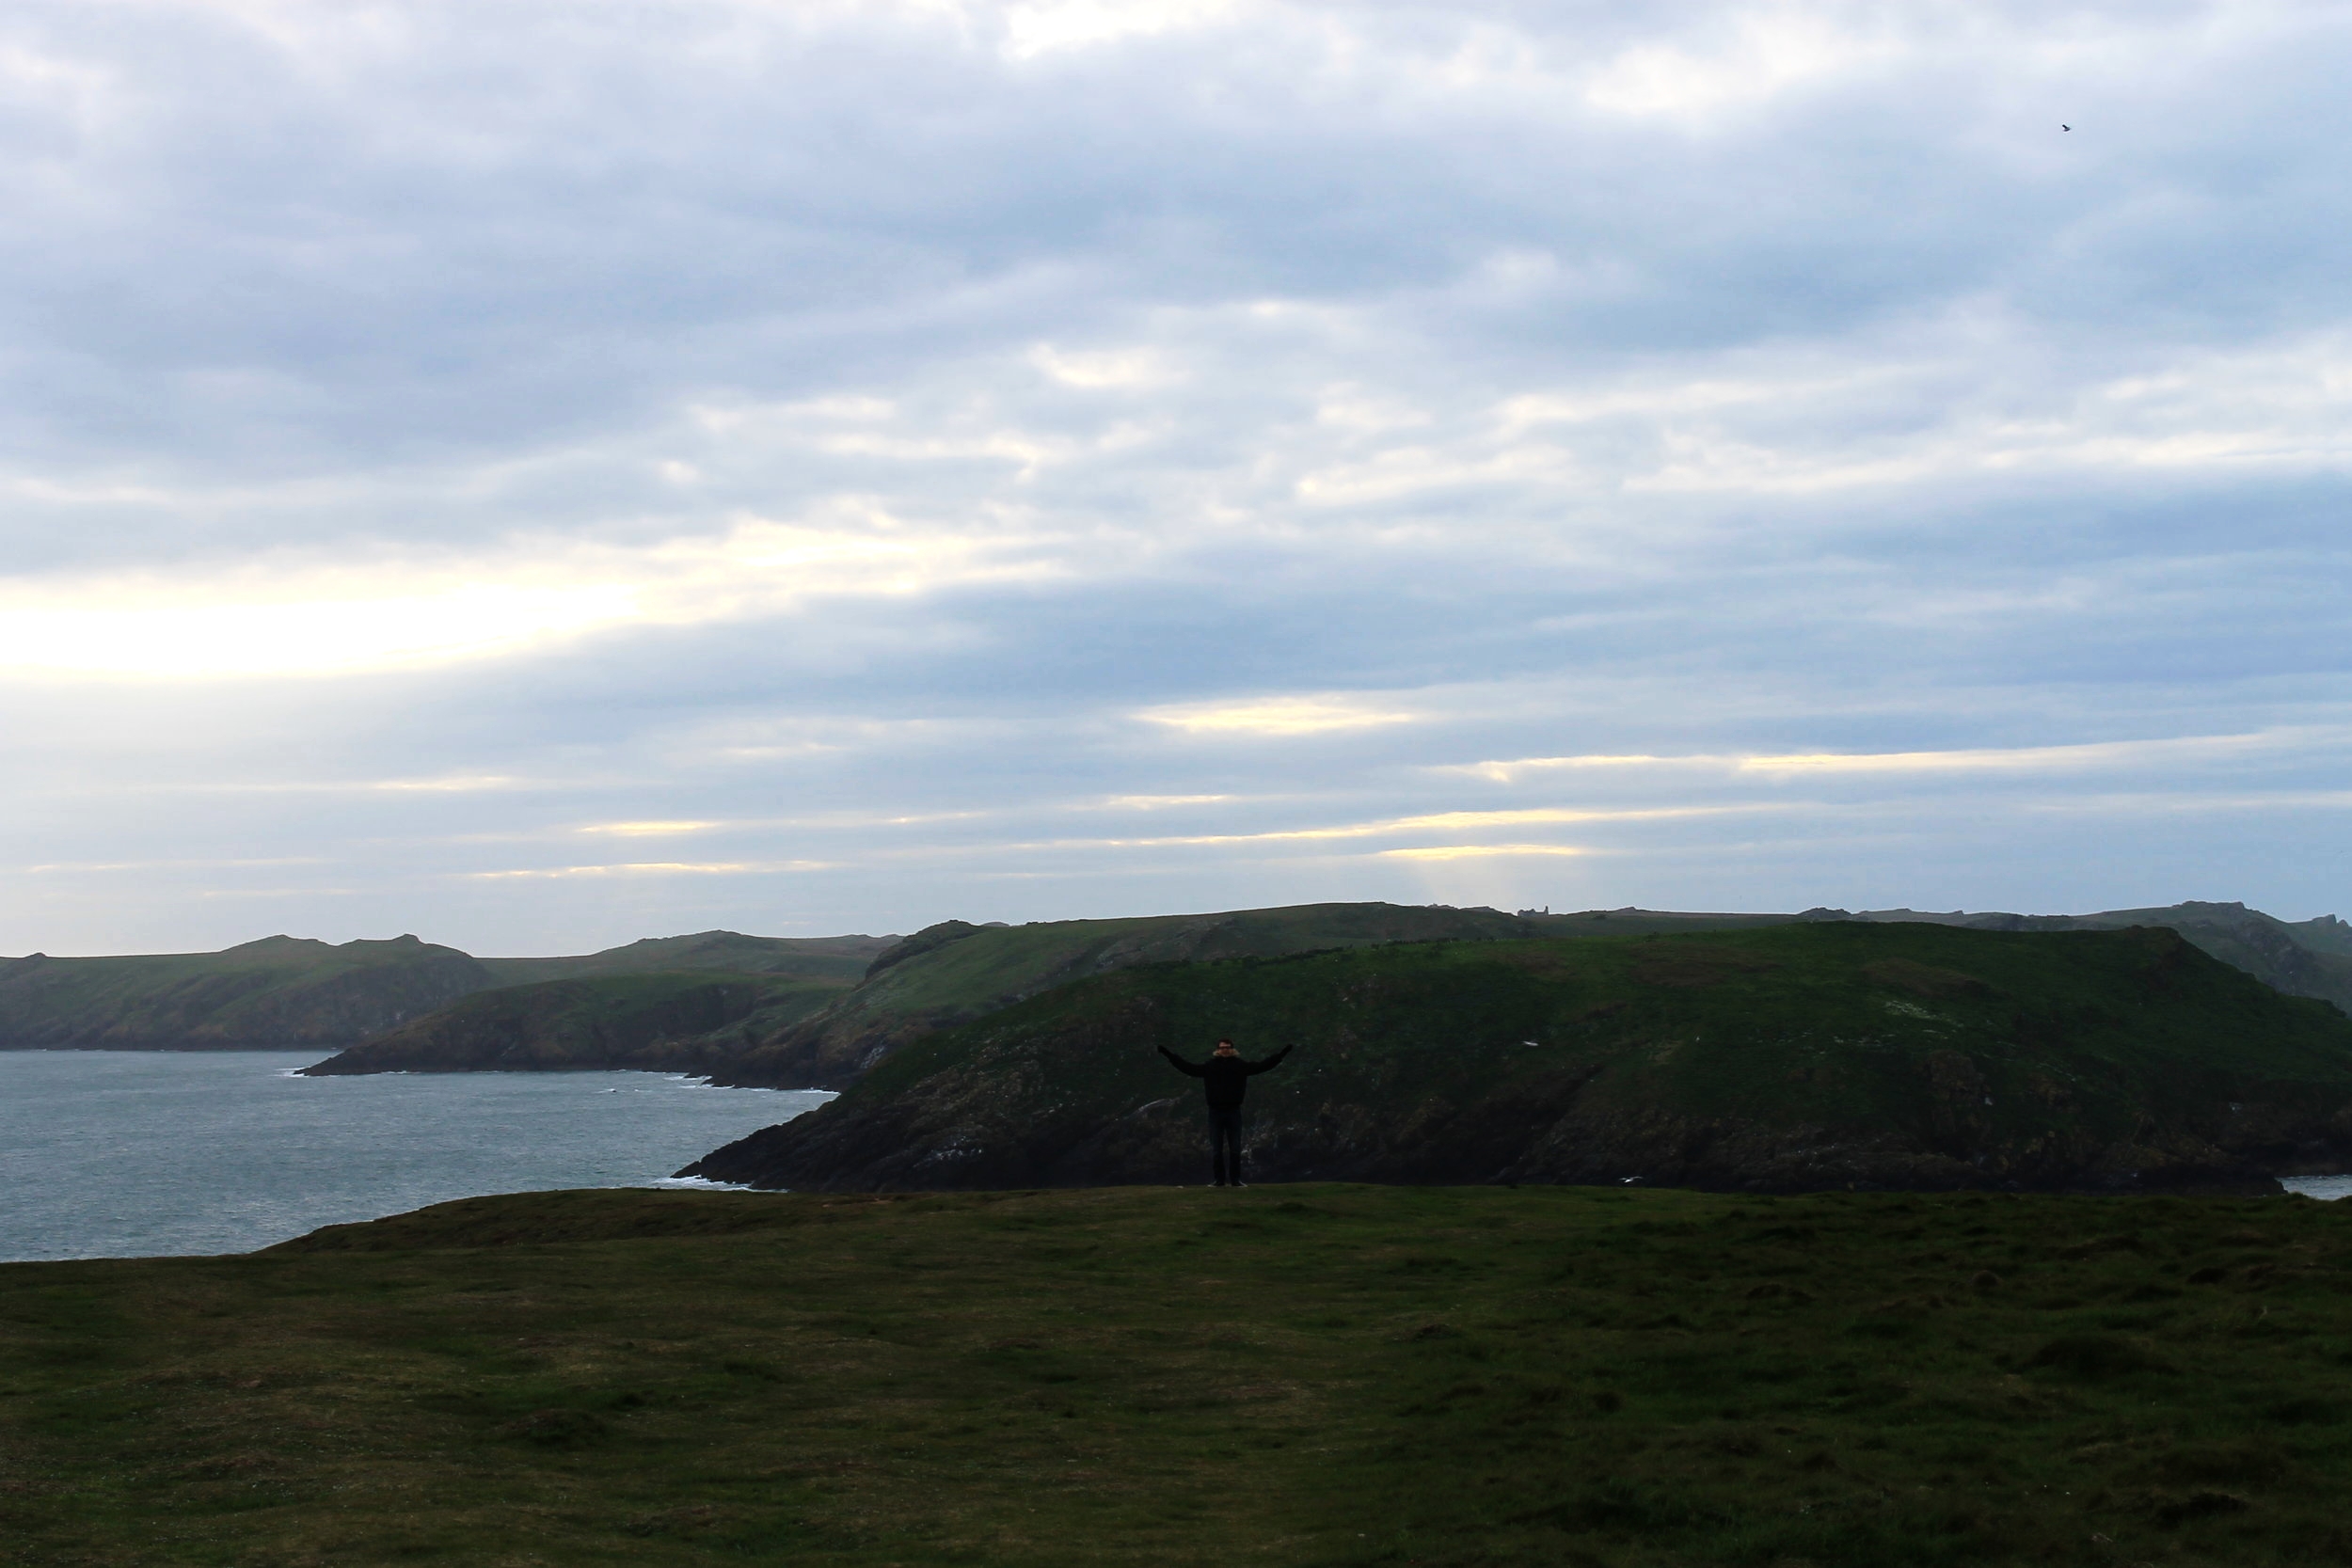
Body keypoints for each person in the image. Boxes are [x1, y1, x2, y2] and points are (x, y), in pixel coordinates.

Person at [1157, 1037, 1292, 1187]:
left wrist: (1281, 1055)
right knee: (1216, 1149)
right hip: (1215, 1111)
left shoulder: (1240, 1066)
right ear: (1218, 1050)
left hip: (1234, 1111)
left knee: (1235, 1148)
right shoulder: (1210, 1066)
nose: (1225, 1050)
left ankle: (1236, 1180)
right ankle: (1218, 1180)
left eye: (1227, 1047)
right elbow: (1188, 1068)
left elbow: (1262, 1066)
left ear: (1232, 1049)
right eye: (1222, 1047)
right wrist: (1168, 1055)